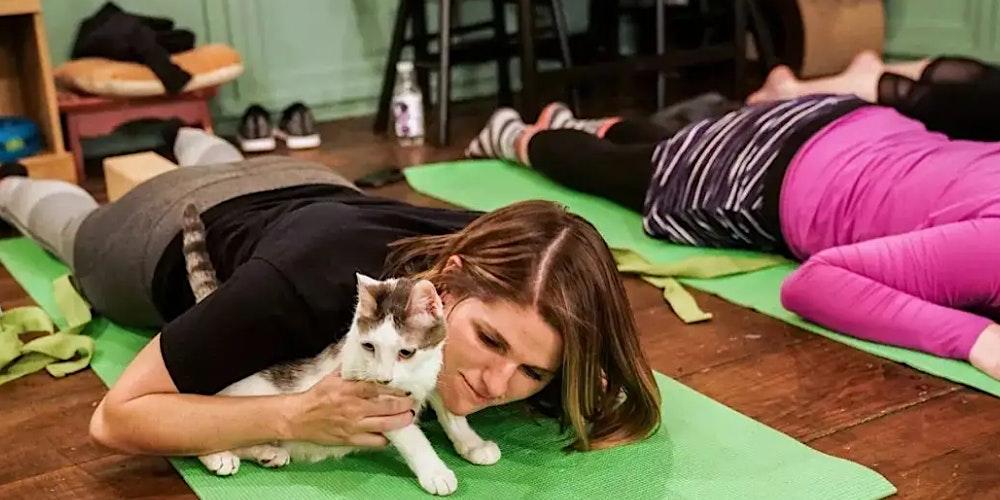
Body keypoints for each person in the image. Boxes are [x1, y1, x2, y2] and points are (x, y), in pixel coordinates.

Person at [0, 149, 661, 455]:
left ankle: (190, 134)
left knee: (220, 152)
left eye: (533, 371)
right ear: (450, 277)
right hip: (164, 230)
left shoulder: (517, 256)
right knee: (66, 217)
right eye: (490, 341)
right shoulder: (300, 288)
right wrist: (294, 418)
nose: (495, 384)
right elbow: (116, 419)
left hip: (309, 178)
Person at [464, 53, 1000, 382]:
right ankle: (517, 138)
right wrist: (975, 339)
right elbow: (815, 283)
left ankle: (577, 123)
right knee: (633, 177)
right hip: (768, 172)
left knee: (670, 151)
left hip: (846, 121)